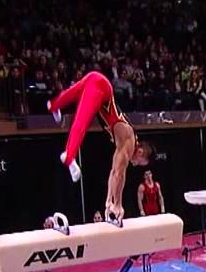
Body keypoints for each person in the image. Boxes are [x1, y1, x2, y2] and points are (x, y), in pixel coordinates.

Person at [48, 69, 151, 222]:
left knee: (73, 93)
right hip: (101, 88)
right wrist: (119, 205)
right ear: (140, 152)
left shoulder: (124, 143)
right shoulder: (129, 141)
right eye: (140, 162)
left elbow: (113, 171)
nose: (136, 165)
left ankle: (54, 106)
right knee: (81, 120)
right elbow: (119, 175)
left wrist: (109, 202)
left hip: (95, 80)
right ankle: (69, 157)